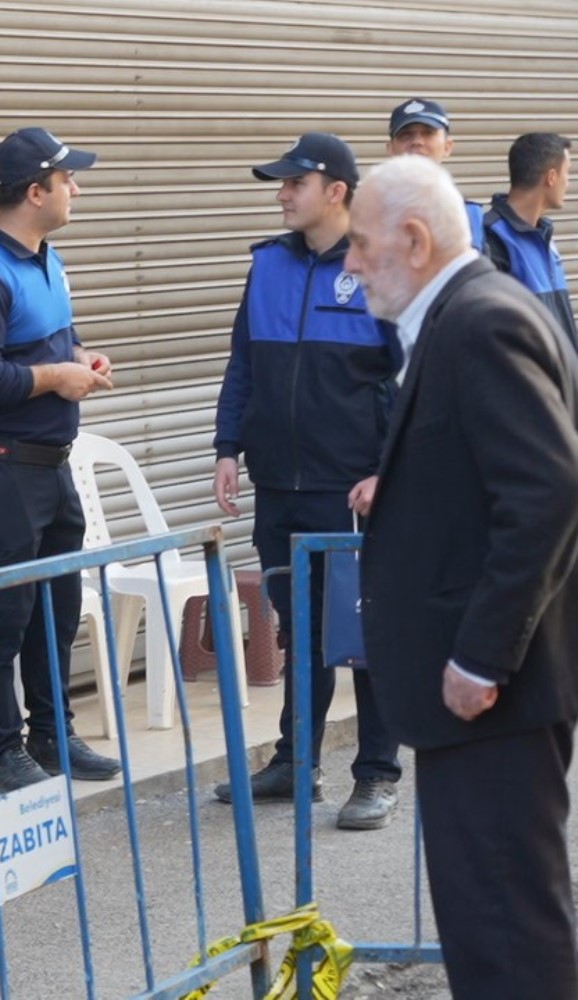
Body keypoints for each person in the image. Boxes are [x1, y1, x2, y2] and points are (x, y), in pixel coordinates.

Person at [349, 153, 578, 997]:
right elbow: (484, 473)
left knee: (506, 930)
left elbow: (549, 492)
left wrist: (482, 657)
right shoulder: (466, 315)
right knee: (491, 925)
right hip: (474, 701)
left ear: (412, 240)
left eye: (360, 245)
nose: (349, 265)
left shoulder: (479, 320)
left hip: (491, 694)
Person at [208, 133, 402, 830]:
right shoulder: (267, 266)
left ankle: (377, 772)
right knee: (299, 628)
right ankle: (296, 762)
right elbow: (243, 366)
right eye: (280, 184)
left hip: (353, 488)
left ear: (337, 191)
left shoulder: (380, 264)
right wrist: (228, 446)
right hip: (280, 483)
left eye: (295, 182)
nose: (282, 193)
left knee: (363, 627)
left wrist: (388, 467)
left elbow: (410, 381)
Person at [0, 127, 121, 795]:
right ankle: (1, 749)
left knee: (56, 605)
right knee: (1, 614)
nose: (77, 188)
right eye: (68, 179)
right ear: (34, 191)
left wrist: (79, 361)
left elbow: (48, 346)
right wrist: (53, 380)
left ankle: (52, 732)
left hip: (50, 464)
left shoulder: (48, 259)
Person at [483, 132, 577, 349]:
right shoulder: (492, 240)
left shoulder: (544, 238)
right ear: (551, 177)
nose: (569, 182)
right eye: (568, 173)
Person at [384, 97, 484, 246]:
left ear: (447, 147)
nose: (417, 142)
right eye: (406, 135)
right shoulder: (373, 214)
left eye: (428, 133)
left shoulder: (469, 216)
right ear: (390, 149)